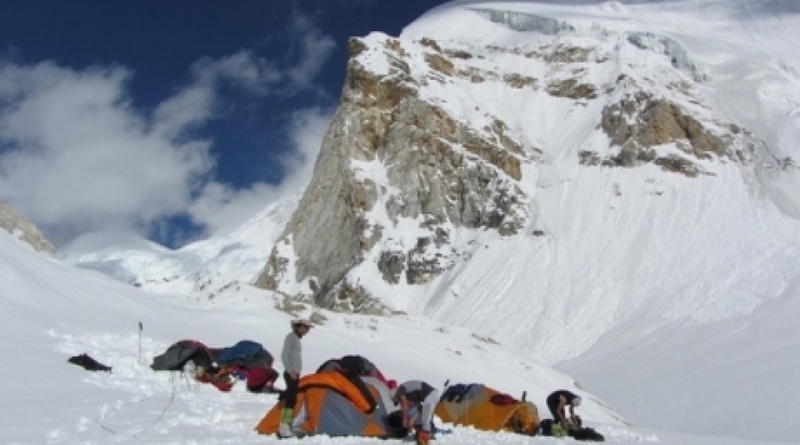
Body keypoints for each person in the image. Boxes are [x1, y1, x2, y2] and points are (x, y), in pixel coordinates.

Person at [278, 318, 313, 438]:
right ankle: (284, 426)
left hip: (295, 373)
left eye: (307, 328)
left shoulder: (296, 339)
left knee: (292, 397)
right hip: (291, 373)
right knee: (291, 398)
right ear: (298, 327)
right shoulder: (291, 337)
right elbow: (284, 355)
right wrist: (290, 370)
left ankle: (287, 424)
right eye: (305, 328)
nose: (306, 330)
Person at [391, 380, 440, 445]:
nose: (399, 402)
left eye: (397, 401)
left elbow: (403, 403)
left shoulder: (400, 389)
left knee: (426, 415)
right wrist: (413, 419)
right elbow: (420, 408)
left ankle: (424, 439)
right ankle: (421, 433)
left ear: (396, 395)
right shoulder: (411, 396)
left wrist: (405, 419)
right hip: (432, 396)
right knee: (420, 415)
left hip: (432, 394)